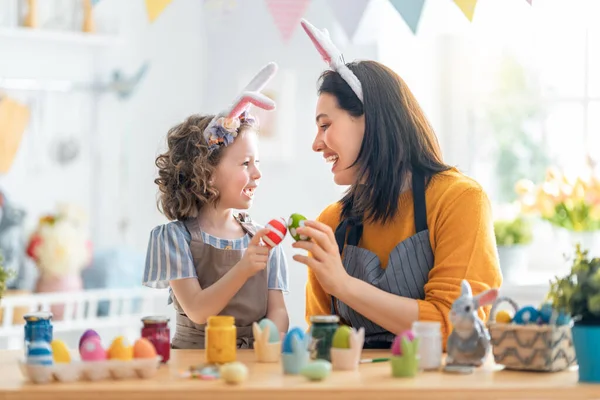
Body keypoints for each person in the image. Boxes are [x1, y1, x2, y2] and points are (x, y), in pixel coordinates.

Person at [293, 19, 502, 348]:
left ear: (370, 120)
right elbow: (322, 340)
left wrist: (345, 285)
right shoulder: (332, 223)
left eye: (325, 125)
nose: (316, 144)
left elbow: (456, 327)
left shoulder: (459, 200)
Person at [143, 63, 289, 349]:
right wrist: (245, 267)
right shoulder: (174, 239)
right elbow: (197, 309)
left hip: (253, 369)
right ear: (206, 172)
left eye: (256, 163)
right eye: (245, 163)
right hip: (192, 369)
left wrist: (267, 338)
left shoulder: (266, 240)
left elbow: (279, 311)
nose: (257, 174)